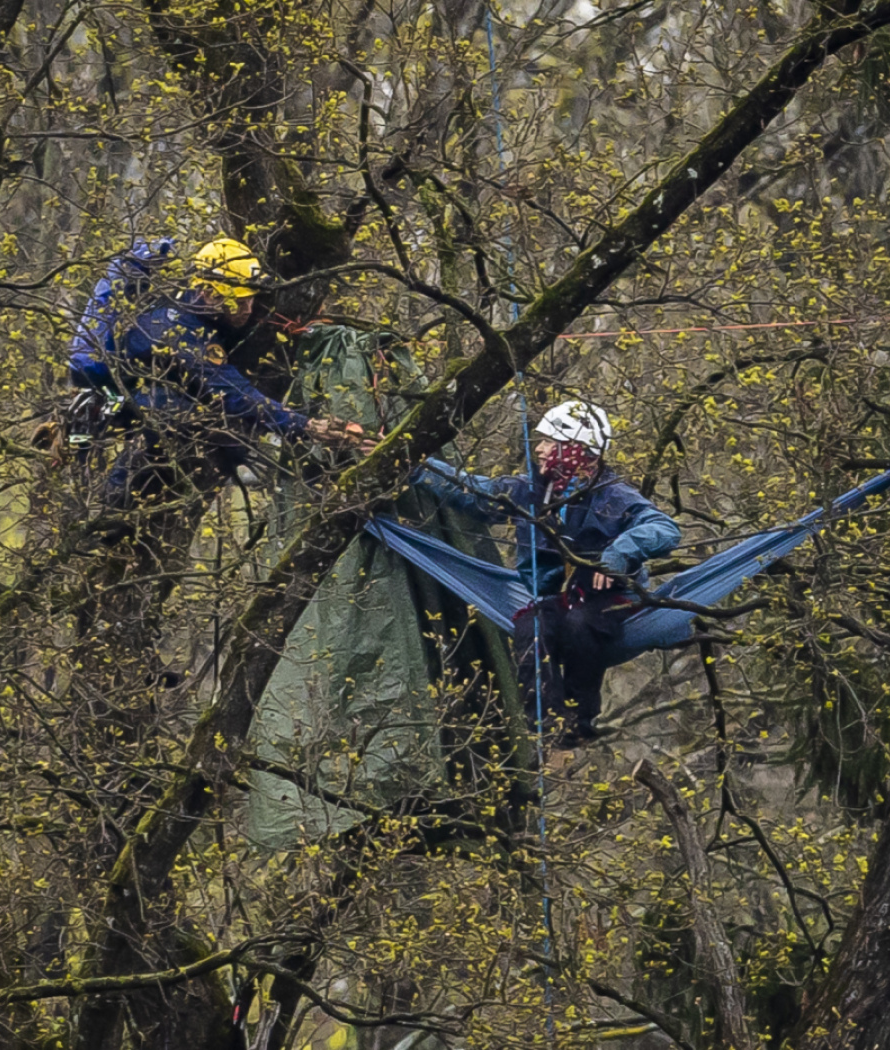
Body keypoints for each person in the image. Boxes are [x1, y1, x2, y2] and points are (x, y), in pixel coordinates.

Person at [411, 401, 681, 745]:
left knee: (578, 624)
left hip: (611, 601)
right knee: (530, 628)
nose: (538, 449)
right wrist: (417, 466)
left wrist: (619, 553)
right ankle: (547, 728)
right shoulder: (531, 492)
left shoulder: (613, 496)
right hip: (558, 599)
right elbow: (473, 492)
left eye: (550, 442)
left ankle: (580, 721)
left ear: (577, 450)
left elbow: (664, 528)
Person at [66, 235, 370, 506]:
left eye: (250, 299)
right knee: (174, 413)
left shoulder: (195, 302)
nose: (248, 309)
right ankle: (114, 499)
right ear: (210, 295)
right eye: (240, 301)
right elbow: (235, 395)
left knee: (224, 438)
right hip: (117, 397)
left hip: (129, 388)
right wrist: (305, 425)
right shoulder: (185, 336)